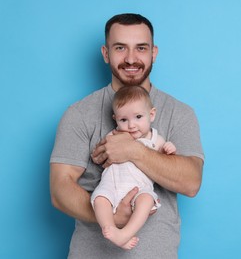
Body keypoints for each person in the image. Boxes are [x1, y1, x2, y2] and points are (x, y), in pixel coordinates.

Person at [50, 13, 204, 258]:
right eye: (120, 48)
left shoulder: (180, 113)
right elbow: (60, 189)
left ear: (153, 53)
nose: (131, 58)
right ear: (105, 53)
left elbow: (191, 182)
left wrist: (133, 150)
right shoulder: (79, 113)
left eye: (140, 48)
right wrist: (109, 217)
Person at [91, 85, 176, 250]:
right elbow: (100, 155)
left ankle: (125, 234)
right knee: (100, 198)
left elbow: (165, 159)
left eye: (138, 117)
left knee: (147, 200)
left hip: (139, 187)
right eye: (124, 120)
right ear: (115, 119)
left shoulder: (155, 139)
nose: (131, 125)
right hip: (112, 183)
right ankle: (110, 229)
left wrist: (169, 148)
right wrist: (97, 155)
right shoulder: (114, 136)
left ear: (151, 115)